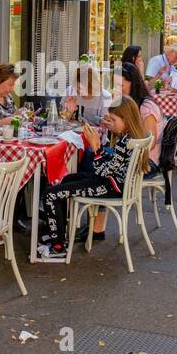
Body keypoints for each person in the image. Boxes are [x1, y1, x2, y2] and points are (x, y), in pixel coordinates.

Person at [37, 96, 146, 257]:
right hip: (115, 183)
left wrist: (96, 148)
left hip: (111, 186)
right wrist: (99, 149)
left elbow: (104, 171)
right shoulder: (131, 136)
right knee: (67, 180)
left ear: (127, 119)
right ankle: (59, 234)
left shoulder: (126, 141)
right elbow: (111, 166)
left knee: (51, 194)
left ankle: (57, 248)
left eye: (113, 120)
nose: (111, 122)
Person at [116, 61, 165, 175]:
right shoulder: (131, 103)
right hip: (132, 156)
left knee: (92, 161)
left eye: (120, 85)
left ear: (133, 84)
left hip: (147, 162)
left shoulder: (146, 108)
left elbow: (149, 144)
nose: (117, 89)